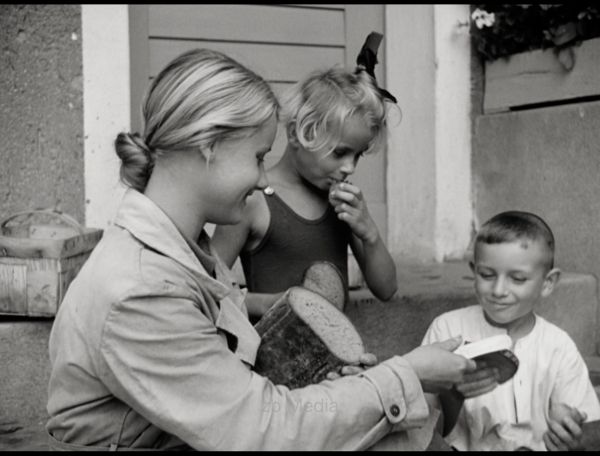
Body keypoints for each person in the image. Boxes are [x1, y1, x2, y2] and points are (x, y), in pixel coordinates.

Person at [45, 47, 490, 451]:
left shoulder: (180, 253)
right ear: (208, 147)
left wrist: (338, 385)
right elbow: (262, 429)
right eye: (258, 157)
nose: (263, 179)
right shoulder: (141, 291)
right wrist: (405, 376)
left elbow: (232, 381)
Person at [211, 32, 398, 321]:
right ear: (299, 134)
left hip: (337, 360)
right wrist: (270, 303)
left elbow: (386, 289)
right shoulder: (255, 201)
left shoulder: (343, 206)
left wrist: (369, 233)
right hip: (271, 360)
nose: (350, 167)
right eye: (340, 153)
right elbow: (209, 293)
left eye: (358, 155)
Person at [422, 210, 600, 451]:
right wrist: (452, 396)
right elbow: (420, 427)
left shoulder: (557, 346)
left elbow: (590, 427)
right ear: (474, 270)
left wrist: (573, 437)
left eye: (517, 279)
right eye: (487, 275)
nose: (498, 290)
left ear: (547, 283)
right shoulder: (448, 331)